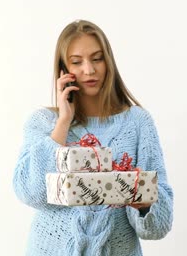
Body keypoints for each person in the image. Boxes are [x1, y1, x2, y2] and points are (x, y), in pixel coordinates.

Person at [13, 19, 174, 256]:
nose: (89, 70)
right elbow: (30, 192)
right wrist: (64, 122)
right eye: (76, 62)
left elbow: (159, 225)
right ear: (63, 69)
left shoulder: (137, 122)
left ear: (109, 61)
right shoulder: (44, 123)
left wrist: (144, 203)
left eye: (97, 59)